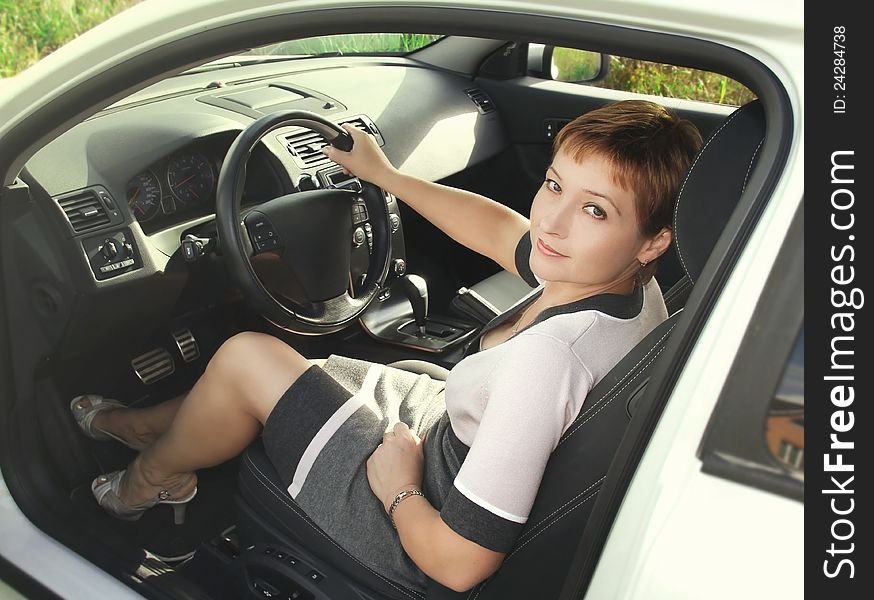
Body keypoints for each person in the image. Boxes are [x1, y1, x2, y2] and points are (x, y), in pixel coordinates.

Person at [70, 100, 702, 592]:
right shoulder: (629, 289)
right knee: (285, 368)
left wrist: (397, 486)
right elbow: (499, 229)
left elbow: (459, 564)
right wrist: (385, 176)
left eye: (596, 211)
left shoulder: (550, 360)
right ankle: (140, 426)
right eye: (555, 185)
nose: (551, 222)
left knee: (244, 357)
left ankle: (152, 478)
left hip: (421, 520)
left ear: (653, 241)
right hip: (450, 430)